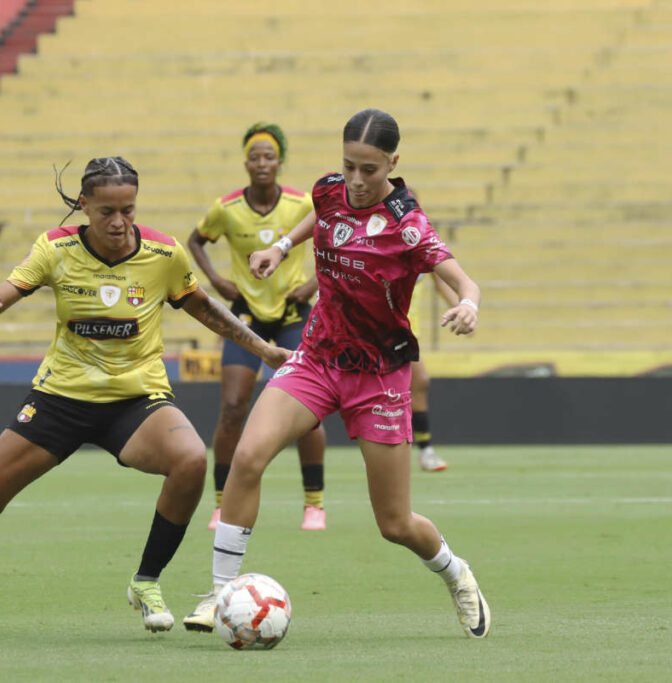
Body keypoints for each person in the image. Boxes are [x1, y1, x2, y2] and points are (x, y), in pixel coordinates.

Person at [0, 157, 289, 639]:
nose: (119, 223)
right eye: (106, 212)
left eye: (128, 210)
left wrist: (263, 349)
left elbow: (204, 308)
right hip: (60, 399)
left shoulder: (164, 255)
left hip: (135, 399)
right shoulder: (55, 248)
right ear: (84, 206)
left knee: (190, 459)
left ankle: (146, 582)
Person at [182, 109, 491, 639]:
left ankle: (456, 573)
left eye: (369, 169)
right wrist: (280, 248)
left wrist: (468, 306)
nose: (356, 180)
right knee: (247, 456)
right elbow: (322, 216)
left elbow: (461, 280)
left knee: (394, 524)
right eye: (348, 165)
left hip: (380, 375)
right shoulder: (328, 191)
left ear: (393, 163)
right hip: (319, 357)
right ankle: (220, 593)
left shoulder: (407, 225)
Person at [187, 122, 327, 532]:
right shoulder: (227, 208)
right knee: (232, 409)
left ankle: (314, 503)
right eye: (255, 157)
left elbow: (335, 236)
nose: (262, 163)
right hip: (244, 315)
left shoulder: (302, 204)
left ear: (279, 161)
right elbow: (196, 240)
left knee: (308, 411)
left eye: (269, 156)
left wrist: (315, 283)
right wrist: (215, 279)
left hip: (292, 313)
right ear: (245, 162)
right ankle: (220, 502)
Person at [409, 272, 459, 472]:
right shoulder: (382, 245)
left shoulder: (424, 244)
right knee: (417, 381)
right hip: (386, 329)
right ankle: (425, 451)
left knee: (418, 383)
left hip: (408, 331)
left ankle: (425, 451)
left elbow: (442, 281)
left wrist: (460, 308)